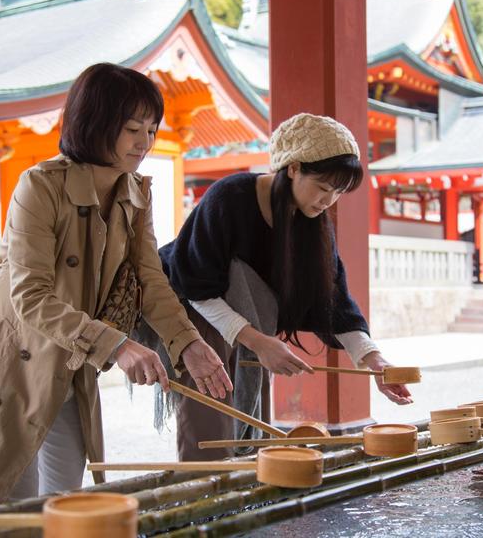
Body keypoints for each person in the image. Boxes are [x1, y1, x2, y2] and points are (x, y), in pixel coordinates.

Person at [0, 63, 232, 514]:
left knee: (65, 495)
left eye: (151, 129)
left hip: (70, 353)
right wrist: (119, 346)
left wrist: (187, 343)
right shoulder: (39, 185)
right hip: (8, 353)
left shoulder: (136, 191)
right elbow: (29, 295)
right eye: (132, 128)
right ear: (96, 123)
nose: (144, 143)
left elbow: (150, 278)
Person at [159, 112, 412, 461]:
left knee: (254, 402)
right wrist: (259, 341)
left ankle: (247, 491)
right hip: (191, 309)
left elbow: (333, 300)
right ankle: (203, 497)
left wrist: (375, 362)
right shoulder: (228, 197)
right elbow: (198, 285)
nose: (328, 201)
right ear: (292, 168)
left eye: (338, 192)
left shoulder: (313, 222)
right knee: (212, 406)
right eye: (323, 187)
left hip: (248, 319)